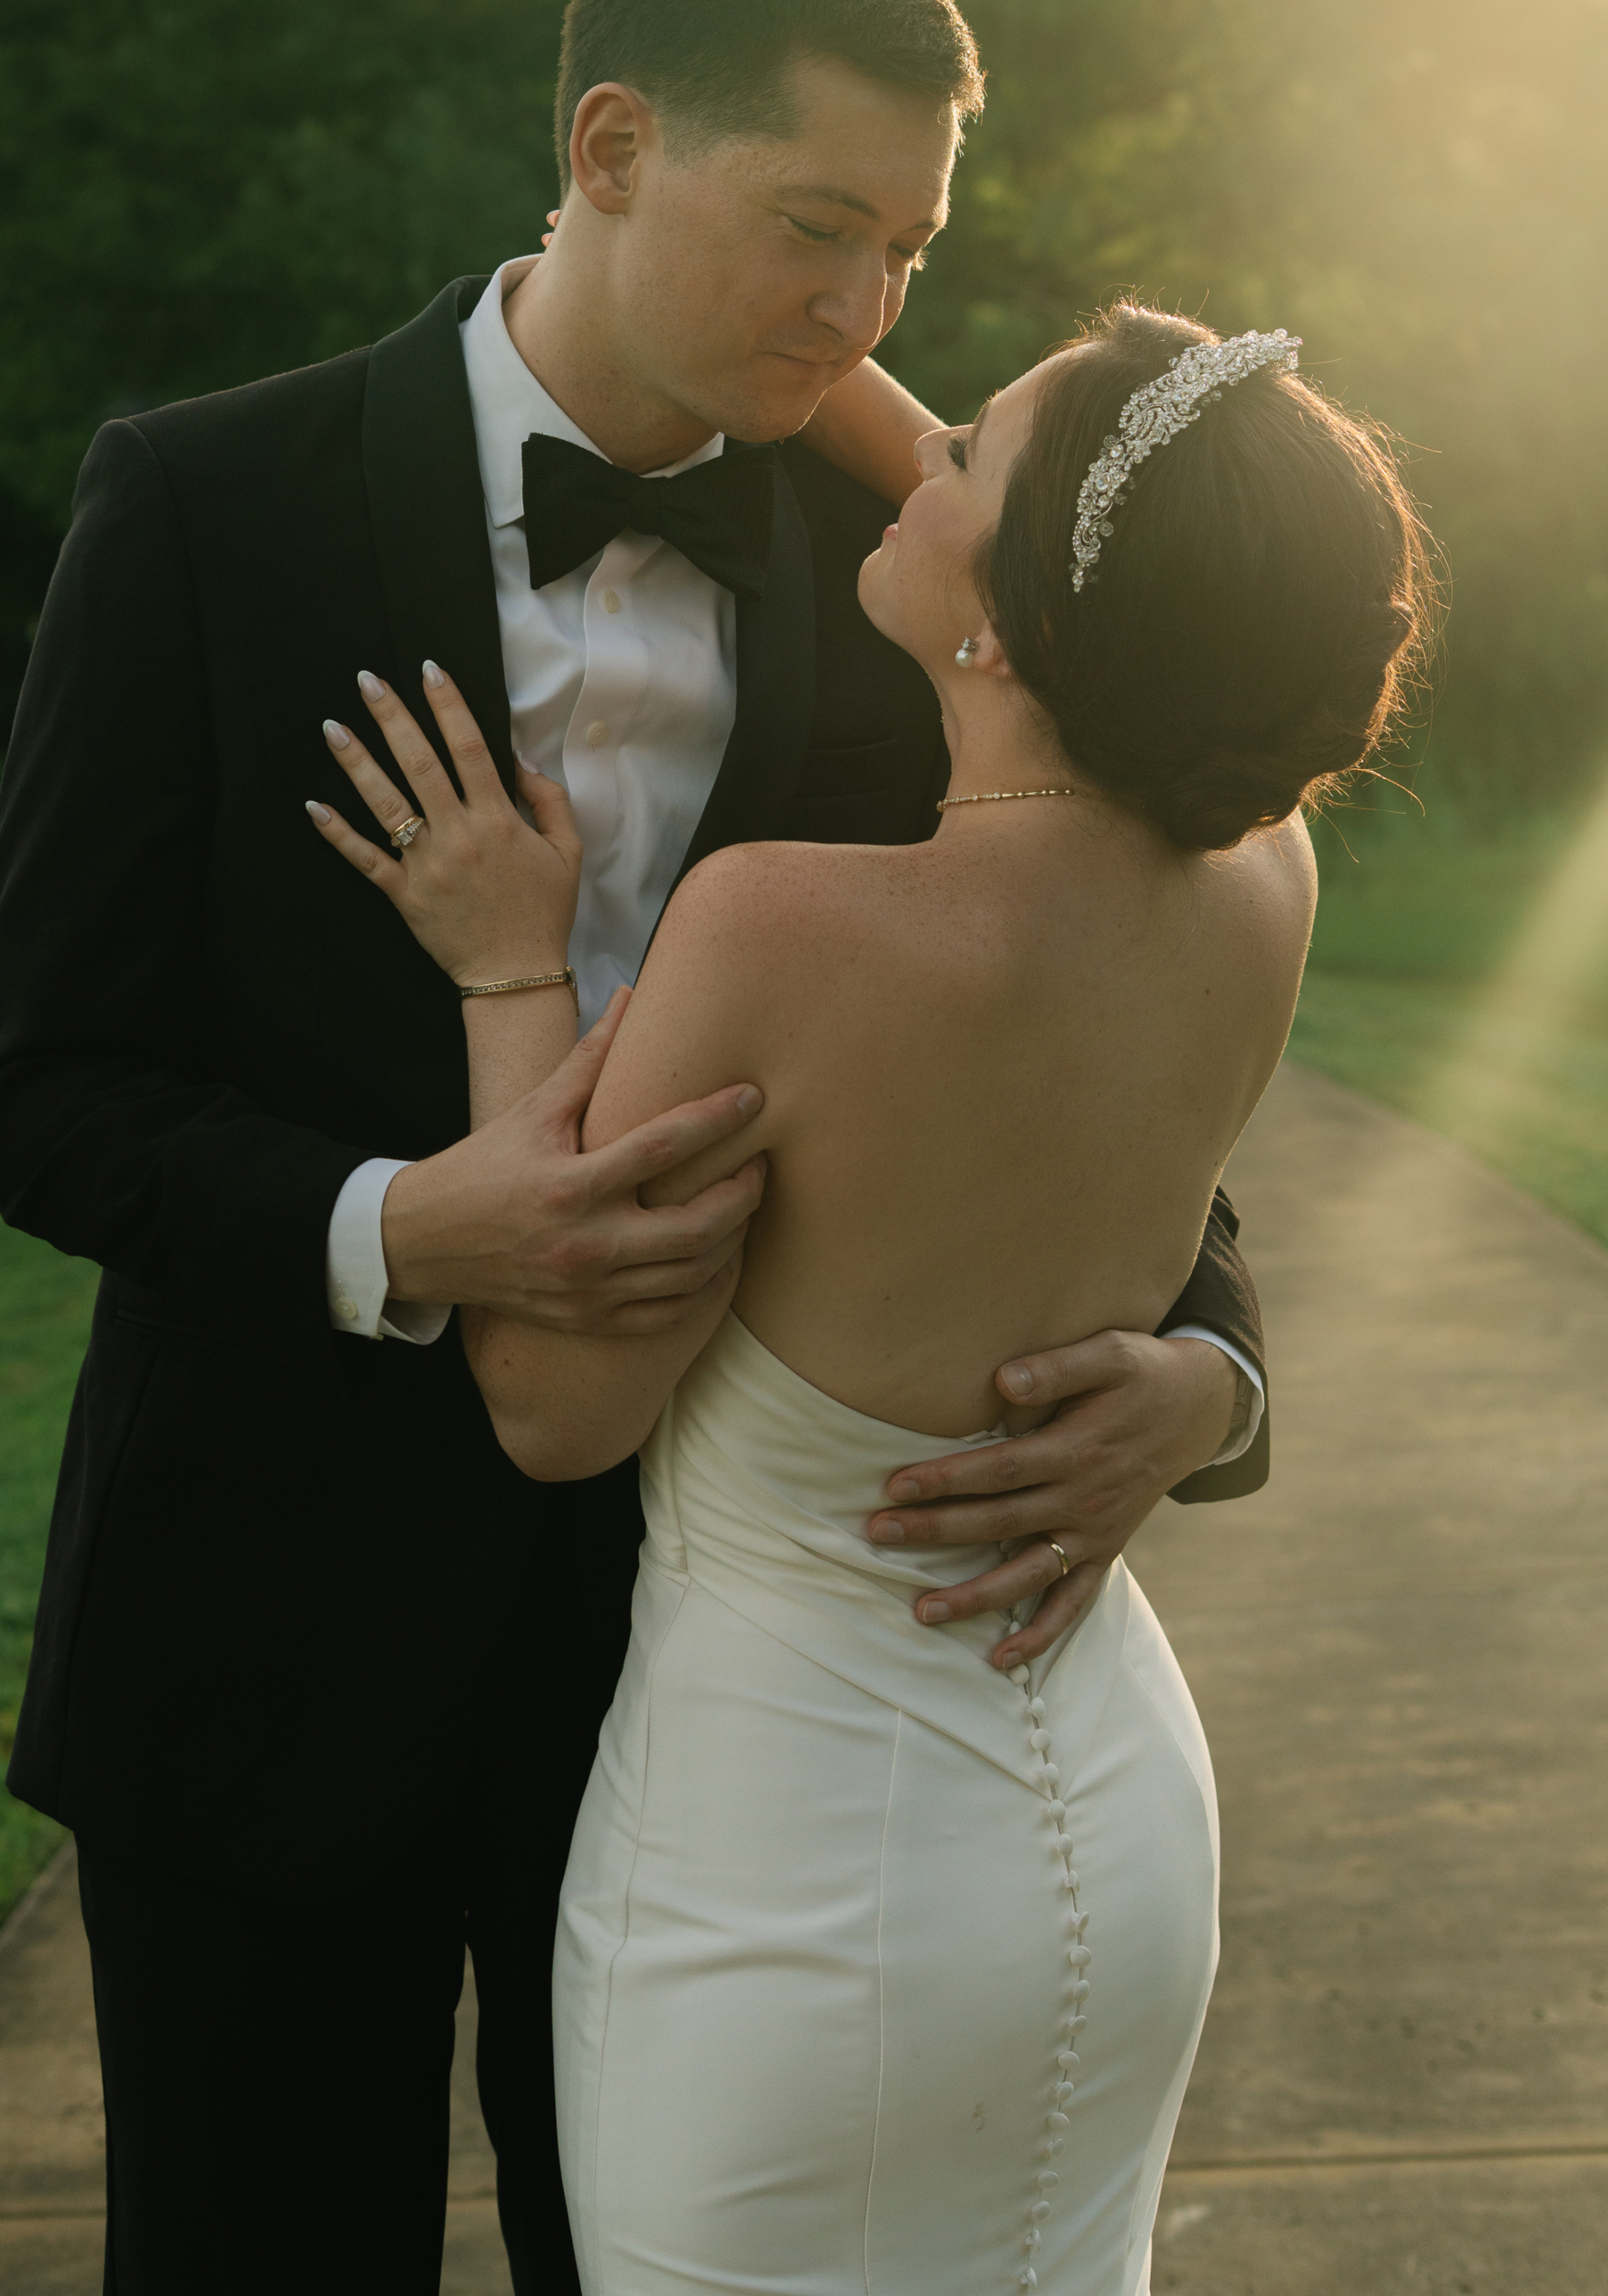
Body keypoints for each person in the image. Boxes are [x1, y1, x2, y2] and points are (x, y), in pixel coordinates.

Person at [0, 0, 1271, 2294]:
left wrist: (1210, 1369)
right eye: (814, 227)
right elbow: (41, 1091)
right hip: (260, 1677)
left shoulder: (928, 601)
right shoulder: (201, 510)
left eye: (906, 247)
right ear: (613, 141)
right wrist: (396, 1229)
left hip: (718, 1752)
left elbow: (1111, 1029)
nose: (868, 309)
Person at [308, 300, 1428, 2292]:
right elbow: (1113, 542)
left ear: (1025, 615)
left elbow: (556, 1408)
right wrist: (799, 311)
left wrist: (506, 967)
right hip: (1107, 1809)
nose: (914, 449)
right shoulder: (1264, 879)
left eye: (969, 451)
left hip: (801, 1879)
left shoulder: (788, 933)